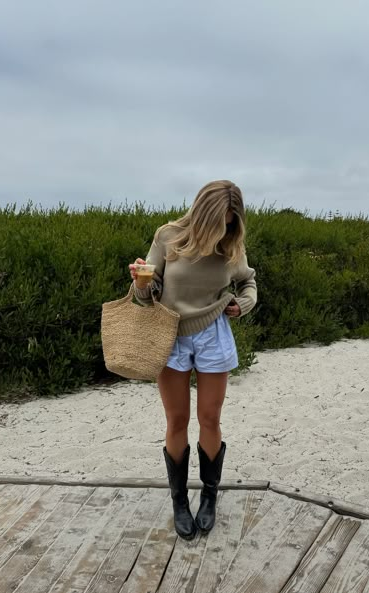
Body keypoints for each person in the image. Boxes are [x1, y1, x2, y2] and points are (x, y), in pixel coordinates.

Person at [128, 180, 257, 540]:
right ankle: (180, 501)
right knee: (177, 419)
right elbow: (148, 291)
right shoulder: (168, 236)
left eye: (230, 223)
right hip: (170, 336)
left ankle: (210, 497)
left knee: (210, 418)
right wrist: (140, 283)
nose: (224, 229)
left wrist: (242, 304)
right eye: (219, 222)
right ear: (202, 213)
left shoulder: (231, 244)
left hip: (214, 335)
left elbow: (249, 283)